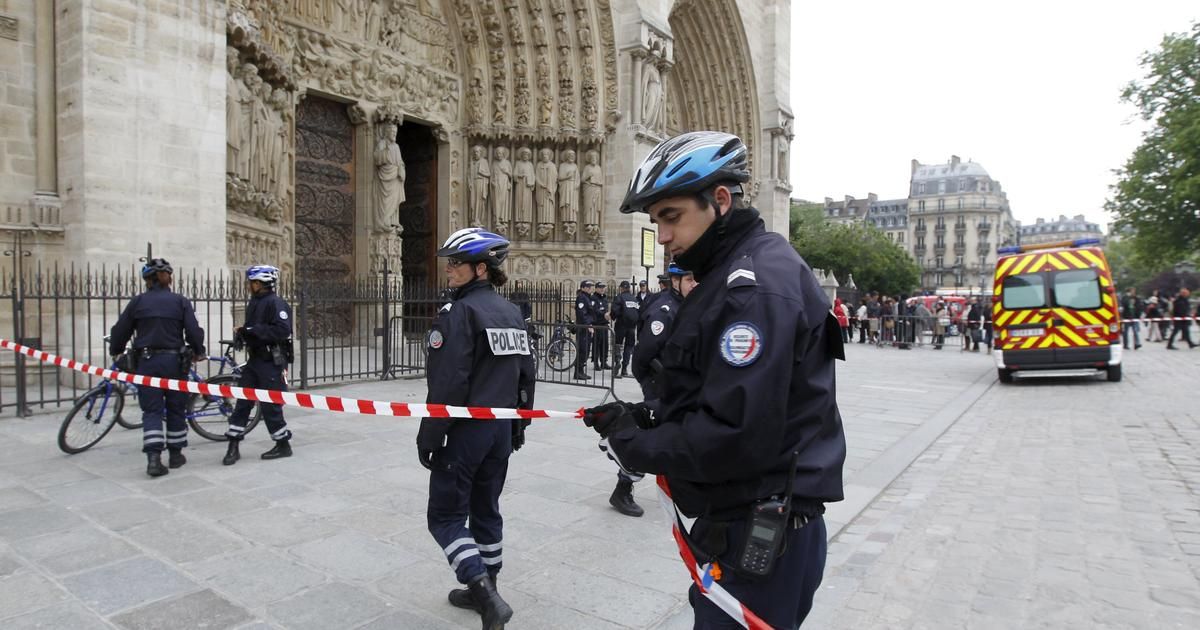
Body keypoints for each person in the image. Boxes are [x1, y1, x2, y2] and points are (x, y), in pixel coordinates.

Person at [583, 131, 847, 629]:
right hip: (750, 524)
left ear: (720, 201)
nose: (661, 235)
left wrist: (633, 445)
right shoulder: (735, 273)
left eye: (670, 216)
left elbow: (734, 435)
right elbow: (714, 392)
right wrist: (644, 416)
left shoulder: (754, 289)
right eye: (656, 219)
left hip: (760, 532)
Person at [418, 228, 535, 629]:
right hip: (501, 427)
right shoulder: (512, 312)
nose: (448, 270)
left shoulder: (459, 314)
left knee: (445, 516)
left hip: (467, 430)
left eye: (456, 263)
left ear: (480, 269)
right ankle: (490, 585)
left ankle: (485, 595)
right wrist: (519, 423)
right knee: (486, 508)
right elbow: (526, 374)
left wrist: (430, 434)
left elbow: (449, 382)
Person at [109, 258, 206, 477]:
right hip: (175, 363)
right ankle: (175, 454)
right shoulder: (180, 301)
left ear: (146, 280)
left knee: (151, 410)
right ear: (168, 278)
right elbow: (193, 330)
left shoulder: (138, 302)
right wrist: (198, 350)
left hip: (147, 362)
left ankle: (153, 458)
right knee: (176, 407)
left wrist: (116, 348)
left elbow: (121, 330)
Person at [222, 265, 295, 465]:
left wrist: (252, 331)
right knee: (243, 402)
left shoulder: (275, 303)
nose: (248, 286)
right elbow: (255, 329)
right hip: (255, 361)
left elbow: (282, 330)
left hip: (270, 362)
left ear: (259, 283)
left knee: (270, 405)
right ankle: (233, 444)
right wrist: (244, 334)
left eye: (251, 283)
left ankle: (282, 444)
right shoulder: (255, 302)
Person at [610, 280, 640, 379]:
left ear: (621, 288)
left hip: (621, 325)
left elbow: (614, 311)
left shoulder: (619, 297)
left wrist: (612, 317)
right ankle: (624, 369)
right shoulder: (634, 299)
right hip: (632, 327)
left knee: (617, 344)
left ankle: (617, 361)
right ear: (629, 288)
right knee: (628, 347)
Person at [573, 280, 595, 380]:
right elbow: (582, 314)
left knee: (585, 350)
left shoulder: (587, 297)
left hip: (586, 327)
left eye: (590, 286)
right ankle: (578, 372)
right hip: (583, 328)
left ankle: (581, 371)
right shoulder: (582, 298)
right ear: (582, 288)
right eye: (588, 287)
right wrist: (588, 325)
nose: (590, 288)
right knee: (583, 350)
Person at [591, 281, 611, 371]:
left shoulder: (605, 298)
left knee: (605, 344)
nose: (602, 289)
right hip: (597, 324)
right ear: (596, 288)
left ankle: (604, 362)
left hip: (604, 324)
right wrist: (604, 314)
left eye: (603, 287)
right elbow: (595, 310)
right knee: (597, 344)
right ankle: (596, 363)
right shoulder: (593, 298)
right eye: (600, 287)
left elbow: (606, 309)